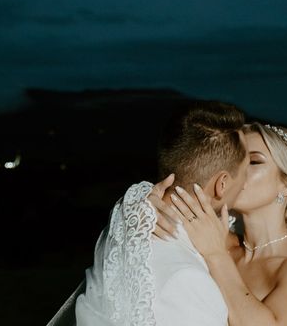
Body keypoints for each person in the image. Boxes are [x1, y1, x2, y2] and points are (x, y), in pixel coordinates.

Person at [69, 101, 250, 326]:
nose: (245, 184)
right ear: (221, 184)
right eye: (245, 172)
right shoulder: (188, 279)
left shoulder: (126, 223)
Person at [155, 122, 287, 325]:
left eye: (253, 162)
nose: (237, 171)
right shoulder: (217, 237)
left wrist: (216, 256)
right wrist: (148, 207)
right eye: (237, 161)